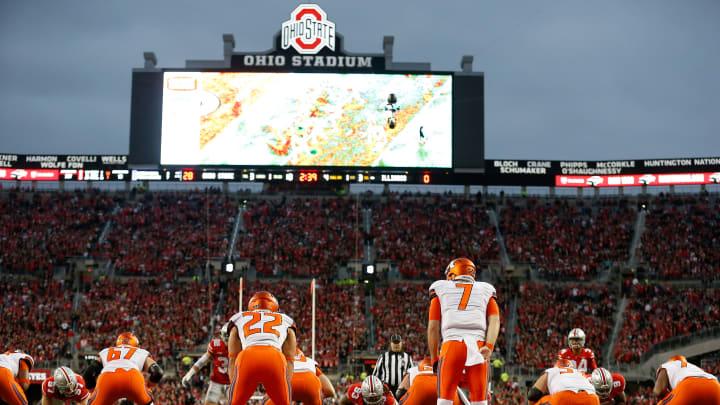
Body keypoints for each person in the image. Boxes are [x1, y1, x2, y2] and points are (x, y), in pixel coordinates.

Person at [428, 257, 500, 405]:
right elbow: (495, 321)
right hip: (479, 346)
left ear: (452, 273)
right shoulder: (486, 289)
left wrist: (434, 358)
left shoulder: (440, 287)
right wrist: (490, 345)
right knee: (480, 402)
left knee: (444, 401)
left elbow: (433, 327)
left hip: (452, 345)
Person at [226, 290, 297, 405]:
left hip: (248, 356)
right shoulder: (286, 320)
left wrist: (235, 385)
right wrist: (283, 386)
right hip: (274, 357)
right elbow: (290, 362)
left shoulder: (239, 318)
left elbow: (232, 360)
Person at [83, 332, 164, 405]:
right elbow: (157, 372)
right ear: (136, 344)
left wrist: (93, 392)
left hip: (107, 378)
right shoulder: (140, 352)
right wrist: (149, 386)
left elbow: (88, 374)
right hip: (132, 377)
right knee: (148, 401)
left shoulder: (106, 351)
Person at [263, 348, 336, 405]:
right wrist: (315, 397)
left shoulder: (278, 358)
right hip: (310, 383)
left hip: (285, 382)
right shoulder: (309, 362)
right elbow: (330, 391)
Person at [182, 322, 231, 405]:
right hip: (218, 381)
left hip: (231, 382)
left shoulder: (238, 346)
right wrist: (189, 374)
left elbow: (202, 361)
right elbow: (202, 361)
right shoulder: (239, 346)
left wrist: (189, 374)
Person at [526, 359, 599, 405]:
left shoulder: (552, 371)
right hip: (593, 398)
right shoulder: (580, 373)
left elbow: (533, 394)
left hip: (564, 397)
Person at [653, 355, 720, 404]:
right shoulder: (693, 367)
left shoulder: (666, 365)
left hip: (689, 387)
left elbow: (658, 391)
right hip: (715, 386)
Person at [394, 359, 462, 405]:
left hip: (422, 385)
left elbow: (399, 392)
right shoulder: (444, 371)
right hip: (447, 388)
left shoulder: (416, 369)